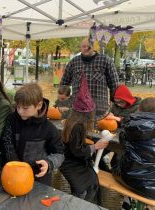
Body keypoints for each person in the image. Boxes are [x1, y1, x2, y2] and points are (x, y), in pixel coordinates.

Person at [60, 72, 109, 204]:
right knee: (86, 187)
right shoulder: (77, 127)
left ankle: (85, 203)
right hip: (69, 162)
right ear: (87, 114)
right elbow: (77, 151)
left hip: (73, 159)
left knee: (93, 180)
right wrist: (95, 147)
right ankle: (79, 204)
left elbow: (76, 146)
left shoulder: (74, 121)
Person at [1, 83, 64, 186]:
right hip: (12, 173)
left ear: (38, 105)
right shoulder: (11, 119)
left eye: (25, 108)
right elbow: (7, 142)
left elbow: (59, 154)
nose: (20, 111)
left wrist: (49, 164)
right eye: (18, 107)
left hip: (38, 177)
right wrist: (16, 166)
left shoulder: (49, 129)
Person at [60, 37, 119, 120]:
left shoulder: (105, 60)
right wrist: (63, 102)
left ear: (93, 46)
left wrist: (114, 107)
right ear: (80, 47)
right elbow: (64, 84)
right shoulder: (73, 62)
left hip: (99, 110)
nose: (86, 48)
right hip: (78, 110)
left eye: (88, 46)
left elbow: (115, 85)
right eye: (83, 46)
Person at [117, 97, 155, 201]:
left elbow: (122, 142)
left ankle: (127, 203)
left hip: (129, 178)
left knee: (117, 162)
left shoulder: (129, 123)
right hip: (152, 188)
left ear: (140, 108)